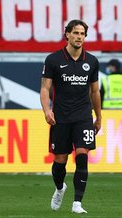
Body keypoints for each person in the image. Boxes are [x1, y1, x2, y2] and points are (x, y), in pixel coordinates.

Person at [40, 19, 102, 214]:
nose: (79, 37)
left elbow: (94, 92)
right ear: (67, 34)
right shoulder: (53, 60)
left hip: (83, 116)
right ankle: (60, 188)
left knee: (82, 155)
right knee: (60, 161)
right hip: (61, 117)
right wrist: (46, 110)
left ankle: (77, 203)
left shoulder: (91, 61)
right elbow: (45, 88)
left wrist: (98, 117)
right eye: (75, 33)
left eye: (82, 34)